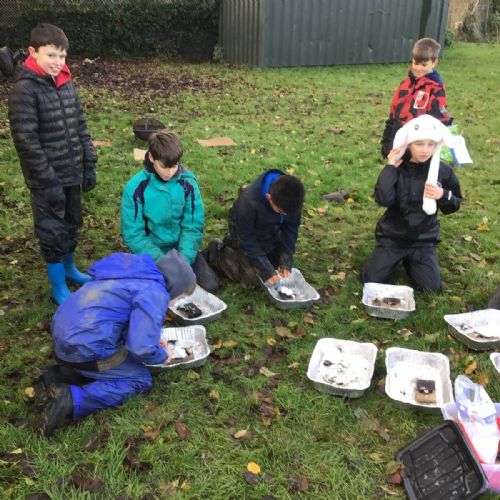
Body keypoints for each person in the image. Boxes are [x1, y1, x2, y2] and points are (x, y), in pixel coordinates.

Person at [35, 250, 196, 436]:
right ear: (175, 285)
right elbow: (141, 347)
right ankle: (71, 399)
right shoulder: (155, 292)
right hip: (84, 348)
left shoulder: (129, 273)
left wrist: (149, 336)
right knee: (139, 380)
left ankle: (62, 374)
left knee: (109, 357)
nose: (177, 302)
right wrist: (162, 355)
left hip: (63, 338)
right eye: (181, 297)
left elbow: (116, 314)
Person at [8, 23, 97, 305]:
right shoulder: (24, 90)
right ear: (33, 52)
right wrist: (48, 181)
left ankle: (70, 269)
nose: (57, 63)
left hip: (72, 172)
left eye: (62, 56)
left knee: (71, 224)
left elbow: (80, 124)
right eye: (51, 55)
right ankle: (58, 286)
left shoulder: (67, 83)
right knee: (51, 230)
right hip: (46, 180)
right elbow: (27, 142)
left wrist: (89, 161)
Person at [361, 114, 462, 292]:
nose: (425, 150)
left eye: (430, 144)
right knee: (370, 280)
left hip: (423, 240)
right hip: (393, 237)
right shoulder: (398, 168)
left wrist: (443, 195)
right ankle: (392, 258)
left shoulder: (443, 171)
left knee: (432, 289)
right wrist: (390, 166)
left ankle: (413, 262)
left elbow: (454, 204)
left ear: (437, 145)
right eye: (419, 144)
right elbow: (383, 199)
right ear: (409, 144)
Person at [121, 129, 218, 292]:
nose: (170, 172)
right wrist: (163, 261)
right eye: (164, 167)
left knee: (209, 285)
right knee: (154, 290)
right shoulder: (135, 187)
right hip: (150, 251)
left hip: (181, 250)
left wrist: (184, 260)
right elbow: (133, 234)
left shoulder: (188, 182)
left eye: (174, 166)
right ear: (151, 157)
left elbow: (193, 225)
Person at [205, 169, 305, 286]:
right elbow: (247, 240)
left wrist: (286, 259)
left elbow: (291, 228)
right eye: (281, 211)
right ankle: (217, 253)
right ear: (269, 198)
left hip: (269, 229)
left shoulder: (293, 197)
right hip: (243, 232)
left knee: (279, 268)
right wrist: (265, 270)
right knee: (254, 277)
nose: (286, 216)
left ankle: (265, 250)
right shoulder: (248, 202)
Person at [380, 37, 452, 159]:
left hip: (420, 145)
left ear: (434, 62)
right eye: (415, 63)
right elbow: (393, 114)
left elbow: (439, 121)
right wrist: (388, 141)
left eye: (424, 65)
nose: (418, 68)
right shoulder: (405, 85)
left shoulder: (435, 90)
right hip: (399, 141)